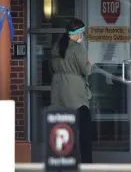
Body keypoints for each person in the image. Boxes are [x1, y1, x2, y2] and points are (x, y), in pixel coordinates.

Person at [51, 18, 94, 163]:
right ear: (78, 33)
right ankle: (86, 164)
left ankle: (64, 162)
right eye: (82, 32)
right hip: (77, 97)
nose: (83, 36)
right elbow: (85, 70)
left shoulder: (57, 47)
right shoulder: (76, 48)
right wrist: (91, 63)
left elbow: (52, 69)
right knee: (85, 133)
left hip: (59, 96)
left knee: (64, 132)